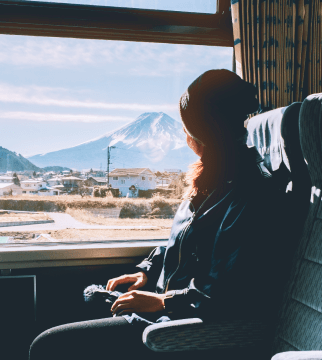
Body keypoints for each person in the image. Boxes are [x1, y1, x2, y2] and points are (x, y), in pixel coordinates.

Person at [29, 70, 293, 359]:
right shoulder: (213, 180)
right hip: (167, 310)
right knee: (70, 303)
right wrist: (147, 270)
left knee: (48, 346)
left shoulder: (251, 193)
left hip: (181, 328)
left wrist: (162, 302)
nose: (183, 132)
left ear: (202, 133)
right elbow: (187, 243)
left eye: (187, 126)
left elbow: (225, 291)